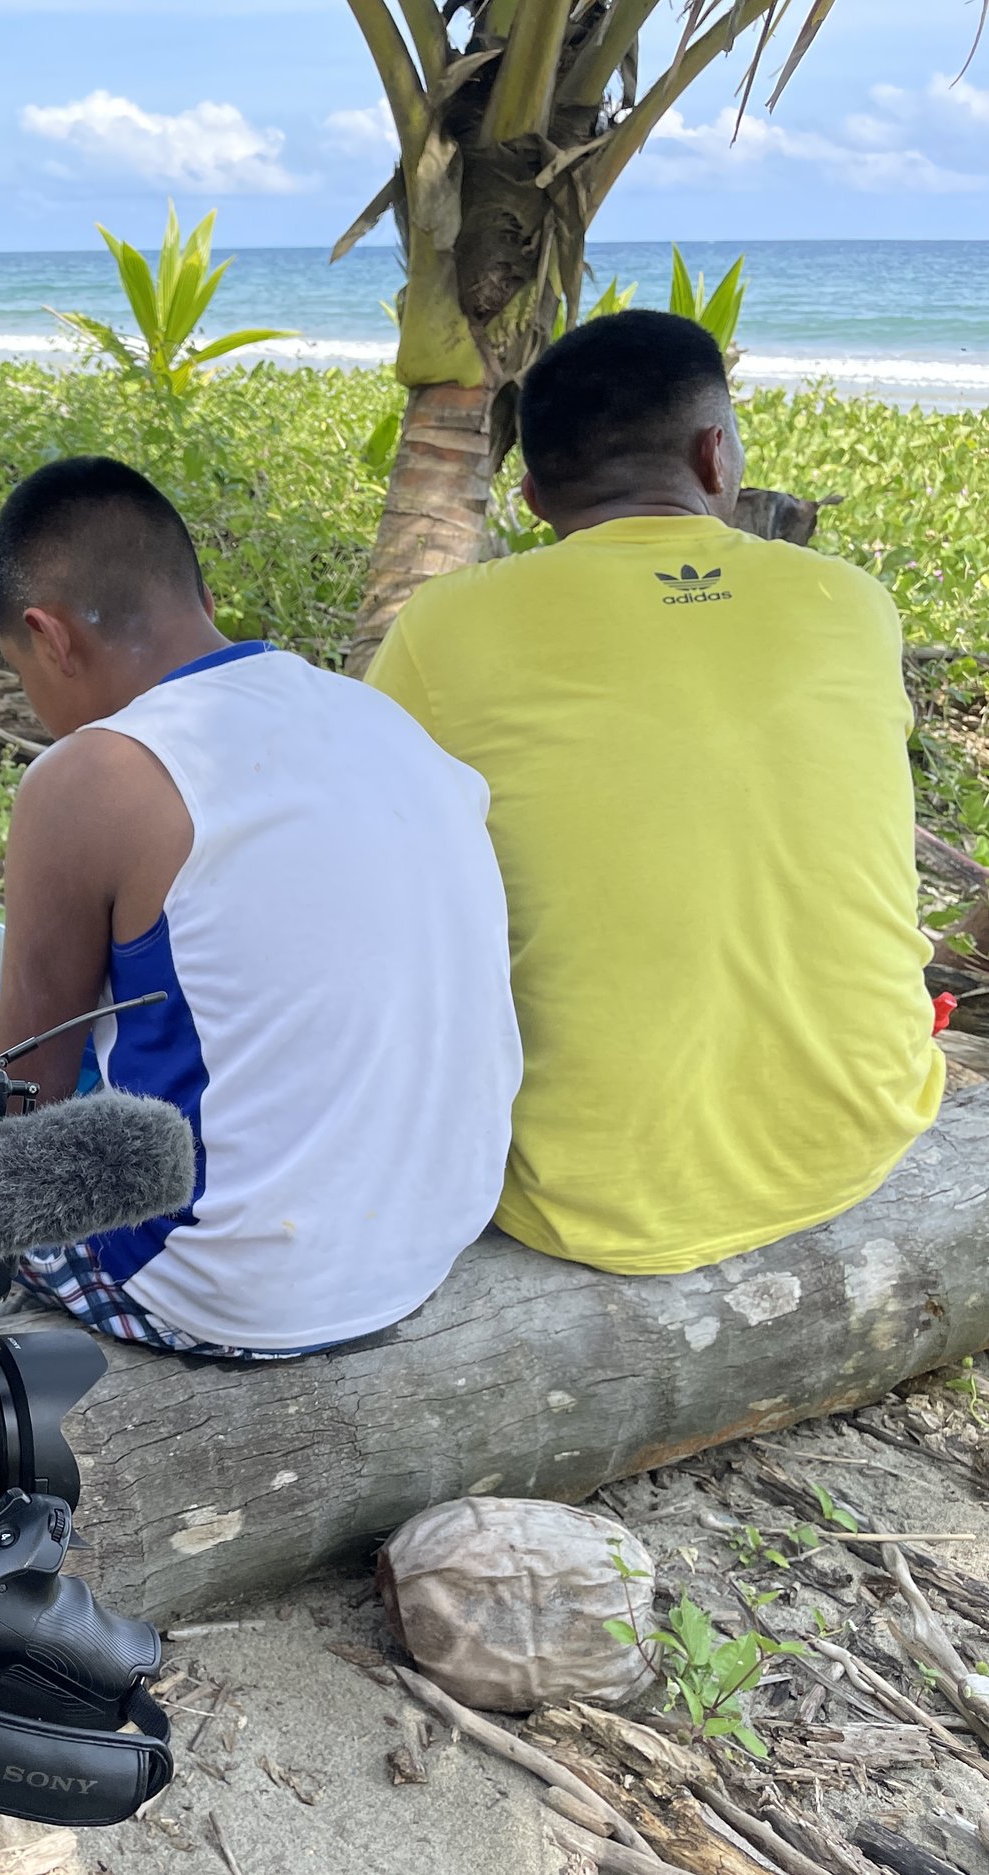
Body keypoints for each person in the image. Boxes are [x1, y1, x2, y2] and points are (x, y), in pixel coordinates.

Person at [365, 310, 943, 1276]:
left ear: (537, 495)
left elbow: (370, 871)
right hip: (861, 1127)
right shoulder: (847, 601)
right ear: (716, 458)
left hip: (588, 1188)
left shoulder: (449, 624)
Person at [0, 455, 520, 1357]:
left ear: (51, 635)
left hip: (226, 1290)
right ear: (196, 593)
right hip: (431, 1243)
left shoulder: (94, 775)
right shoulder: (379, 718)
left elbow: (21, 1092)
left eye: (20, 666)